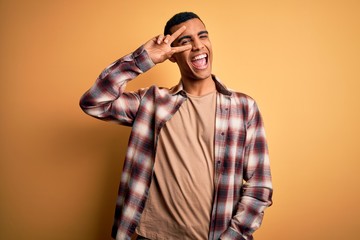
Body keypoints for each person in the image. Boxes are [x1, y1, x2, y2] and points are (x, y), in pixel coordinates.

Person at [80, 12, 272, 240]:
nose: (198, 46)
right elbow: (95, 102)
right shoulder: (152, 103)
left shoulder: (244, 108)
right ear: (172, 54)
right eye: (186, 41)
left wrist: (233, 236)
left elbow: (259, 186)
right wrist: (144, 58)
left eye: (203, 36)